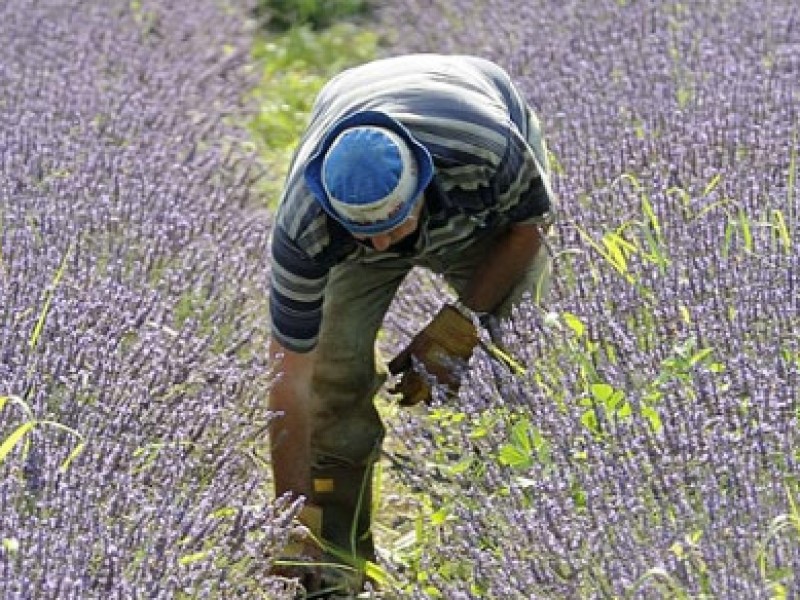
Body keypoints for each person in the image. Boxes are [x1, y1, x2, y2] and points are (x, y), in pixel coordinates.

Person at [267, 53, 556, 596]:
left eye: (392, 225)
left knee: (522, 350)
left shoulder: (484, 150)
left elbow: (529, 228)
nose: (381, 244)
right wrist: (293, 519)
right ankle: (338, 568)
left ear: (421, 185)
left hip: (481, 210)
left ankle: (507, 537)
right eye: (365, 232)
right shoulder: (305, 226)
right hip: (364, 145)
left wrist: (461, 324)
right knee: (333, 379)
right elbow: (290, 379)